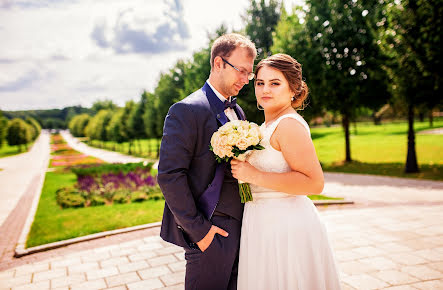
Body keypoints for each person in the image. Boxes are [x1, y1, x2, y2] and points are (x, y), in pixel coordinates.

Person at [231, 53, 341, 290]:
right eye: (260, 82)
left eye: (274, 83)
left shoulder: (288, 125)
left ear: (293, 89)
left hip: (285, 228)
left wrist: (254, 176)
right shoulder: (265, 126)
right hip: (261, 224)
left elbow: (314, 183)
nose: (265, 90)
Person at [157, 33, 257, 290]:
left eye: (250, 74)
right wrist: (200, 232)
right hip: (212, 232)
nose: (246, 80)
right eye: (241, 71)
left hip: (244, 228)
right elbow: (169, 175)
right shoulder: (185, 110)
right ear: (218, 63)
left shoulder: (238, 111)